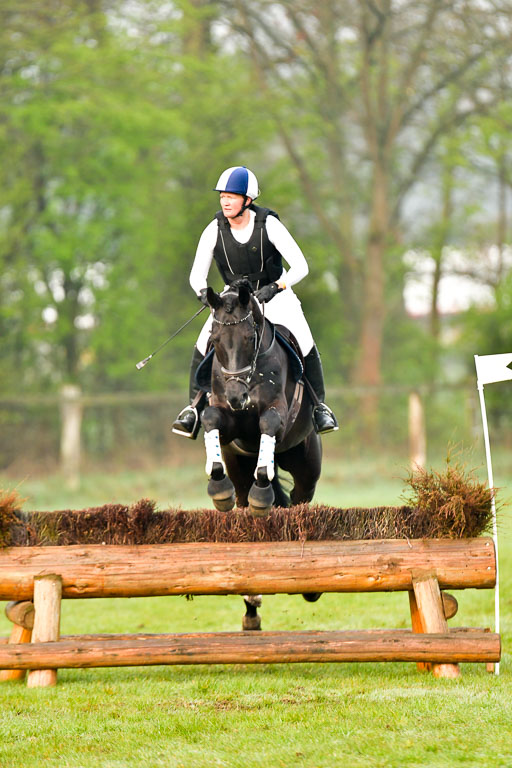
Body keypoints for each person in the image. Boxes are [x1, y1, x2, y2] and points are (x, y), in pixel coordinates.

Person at [172, 165, 338, 438]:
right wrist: (204, 294)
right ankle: (192, 409)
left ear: (247, 200)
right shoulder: (214, 229)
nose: (225, 201)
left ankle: (320, 407)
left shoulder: (268, 225)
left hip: (275, 295)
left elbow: (301, 267)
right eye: (223, 195)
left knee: (305, 339)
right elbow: (195, 276)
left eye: (232, 196)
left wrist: (277, 286)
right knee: (203, 342)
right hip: (234, 302)